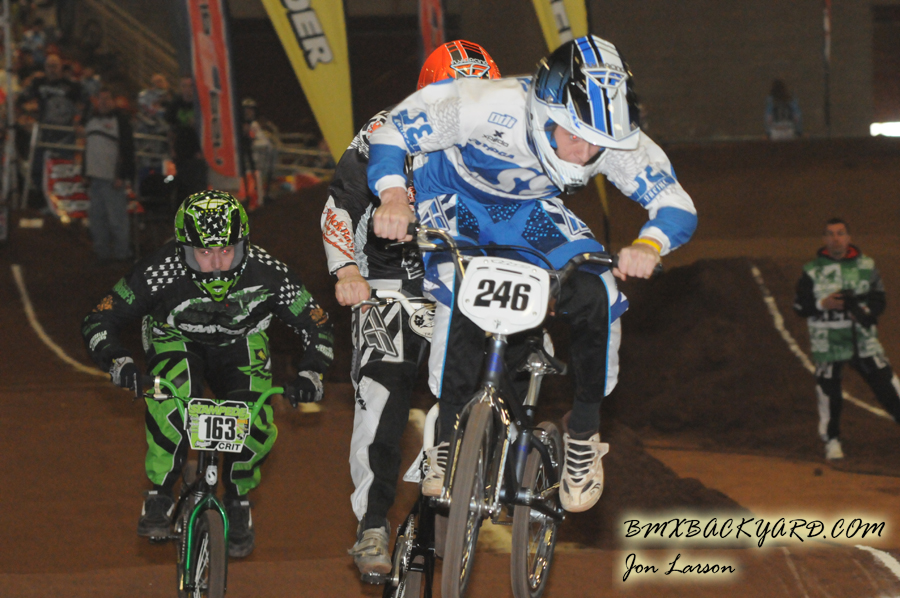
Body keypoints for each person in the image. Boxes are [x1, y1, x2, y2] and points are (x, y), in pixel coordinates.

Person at [369, 35, 697, 514]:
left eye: (599, 143)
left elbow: (675, 203)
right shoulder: (485, 103)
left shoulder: (607, 137)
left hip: (528, 212)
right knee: (461, 286)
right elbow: (392, 131)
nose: (585, 153)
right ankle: (446, 432)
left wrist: (649, 244)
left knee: (598, 289)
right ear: (546, 112)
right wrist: (394, 197)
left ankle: (583, 434)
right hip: (456, 201)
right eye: (575, 136)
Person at [324, 40, 501, 582]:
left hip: (466, 284)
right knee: (384, 386)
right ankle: (373, 522)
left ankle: (470, 486)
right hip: (390, 285)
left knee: (501, 374)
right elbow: (339, 207)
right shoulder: (385, 130)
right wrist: (346, 271)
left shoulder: (507, 135)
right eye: (455, 92)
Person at [81, 190, 334, 558]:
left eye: (227, 250)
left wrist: (312, 372)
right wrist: (118, 361)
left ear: (244, 246)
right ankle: (160, 493)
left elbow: (317, 324)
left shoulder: (268, 271)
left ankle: (238, 496)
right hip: (175, 337)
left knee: (257, 418)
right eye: (203, 252)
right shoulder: (159, 270)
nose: (217, 265)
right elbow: (99, 318)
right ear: (183, 250)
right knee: (171, 397)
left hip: (242, 340)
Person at [793, 218, 900, 460]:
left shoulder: (867, 265)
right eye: (830, 234)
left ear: (849, 237)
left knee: (887, 384)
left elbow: (879, 299)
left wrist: (863, 312)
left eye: (840, 233)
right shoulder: (811, 270)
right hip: (828, 342)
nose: (836, 238)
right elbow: (799, 306)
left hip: (863, 340)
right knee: (829, 393)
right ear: (824, 239)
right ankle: (832, 441)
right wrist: (823, 303)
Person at [83, 87, 135, 264]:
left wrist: (121, 175)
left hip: (112, 178)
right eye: (101, 99)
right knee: (96, 219)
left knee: (116, 219)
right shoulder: (91, 120)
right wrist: (85, 172)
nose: (103, 102)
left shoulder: (120, 121)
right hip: (95, 177)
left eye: (107, 99)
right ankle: (102, 253)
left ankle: (122, 254)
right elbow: (88, 148)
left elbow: (128, 149)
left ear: (113, 101)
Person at [165, 76, 207, 201]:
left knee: (198, 184)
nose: (187, 89)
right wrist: (172, 149)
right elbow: (171, 129)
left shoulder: (200, 104)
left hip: (197, 150)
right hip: (181, 150)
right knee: (183, 183)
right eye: (184, 86)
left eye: (190, 86)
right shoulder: (175, 105)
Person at [136, 73, 172, 173]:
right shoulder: (145, 97)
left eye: (160, 81)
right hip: (148, 142)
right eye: (155, 82)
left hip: (164, 145)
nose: (158, 84)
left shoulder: (171, 100)